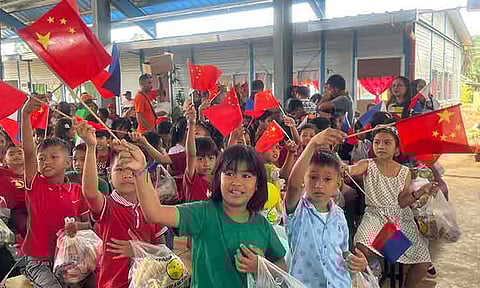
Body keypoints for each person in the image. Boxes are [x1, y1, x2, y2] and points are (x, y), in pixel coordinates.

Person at [117, 139, 287, 287]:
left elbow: (281, 266)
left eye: (246, 176)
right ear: (218, 178)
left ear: (258, 184)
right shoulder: (203, 213)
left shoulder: (262, 225)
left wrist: (260, 266)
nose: (236, 182)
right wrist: (140, 172)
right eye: (229, 174)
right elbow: (155, 213)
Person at [74, 119, 165, 288]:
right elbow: (90, 192)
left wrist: (137, 250)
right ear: (109, 175)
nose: (127, 175)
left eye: (132, 170)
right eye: (120, 169)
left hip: (149, 283)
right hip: (113, 283)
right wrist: (91, 147)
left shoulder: (153, 208)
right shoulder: (108, 206)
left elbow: (163, 250)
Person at [347, 126, 437, 286]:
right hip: (375, 217)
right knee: (362, 247)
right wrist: (344, 169)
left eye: (387, 143)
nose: (381, 146)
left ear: (396, 149)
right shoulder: (367, 164)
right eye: (377, 142)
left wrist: (421, 191)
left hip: (400, 221)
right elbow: (351, 170)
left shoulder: (404, 171)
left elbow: (403, 202)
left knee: (423, 262)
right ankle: (366, 282)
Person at [21, 96, 90, 287]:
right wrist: (25, 114)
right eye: (41, 159)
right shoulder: (35, 185)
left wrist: (77, 227)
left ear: (68, 163)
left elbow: (89, 225)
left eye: (53, 157)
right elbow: (28, 152)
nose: (46, 162)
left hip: (70, 259)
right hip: (38, 261)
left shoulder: (77, 190)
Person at [285, 128, 367, 288]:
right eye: (313, 177)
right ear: (304, 179)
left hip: (338, 283)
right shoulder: (298, 211)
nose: (319, 185)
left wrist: (357, 262)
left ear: (338, 182)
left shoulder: (339, 216)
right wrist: (313, 143)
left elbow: (343, 252)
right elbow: (293, 185)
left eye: (327, 179)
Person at [183, 101, 219, 202]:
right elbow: (190, 154)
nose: (206, 163)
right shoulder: (193, 177)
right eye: (200, 159)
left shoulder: (218, 178)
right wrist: (191, 124)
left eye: (211, 158)